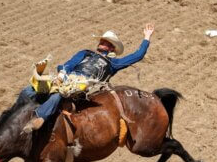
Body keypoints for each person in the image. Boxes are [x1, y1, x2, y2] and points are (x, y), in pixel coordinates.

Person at [21, 24, 155, 133]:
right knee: (27, 91)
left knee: (57, 96)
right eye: (102, 40)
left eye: (106, 42)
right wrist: (62, 75)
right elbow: (70, 64)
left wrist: (147, 37)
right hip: (66, 79)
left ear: (111, 48)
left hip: (83, 90)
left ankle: (39, 118)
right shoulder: (85, 53)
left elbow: (137, 55)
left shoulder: (114, 64)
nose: (102, 42)